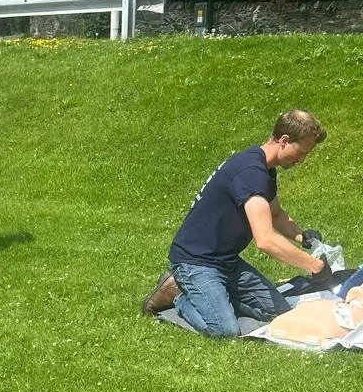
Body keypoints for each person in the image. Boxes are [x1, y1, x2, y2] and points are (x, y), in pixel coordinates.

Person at [141, 110, 331, 338]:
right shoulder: (251, 172)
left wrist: (301, 236)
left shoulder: (264, 169)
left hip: (226, 261)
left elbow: (276, 214)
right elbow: (265, 240)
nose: (302, 160)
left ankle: (214, 297)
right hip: (195, 262)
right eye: (301, 152)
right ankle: (178, 296)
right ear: (284, 140)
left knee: (279, 312)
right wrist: (313, 265)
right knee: (225, 330)